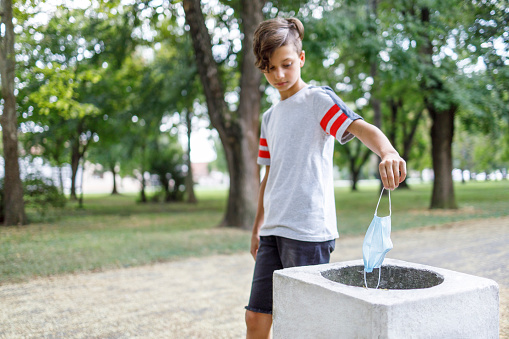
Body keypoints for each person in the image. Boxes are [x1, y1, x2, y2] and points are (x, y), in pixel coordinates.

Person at [245, 17, 406, 338]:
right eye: (268, 68)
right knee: (256, 316)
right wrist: (256, 228)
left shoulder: (318, 101)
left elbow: (362, 129)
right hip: (273, 230)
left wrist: (387, 152)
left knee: (304, 323)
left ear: (301, 59)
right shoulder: (268, 117)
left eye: (286, 64)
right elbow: (268, 174)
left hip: (308, 231)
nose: (278, 75)